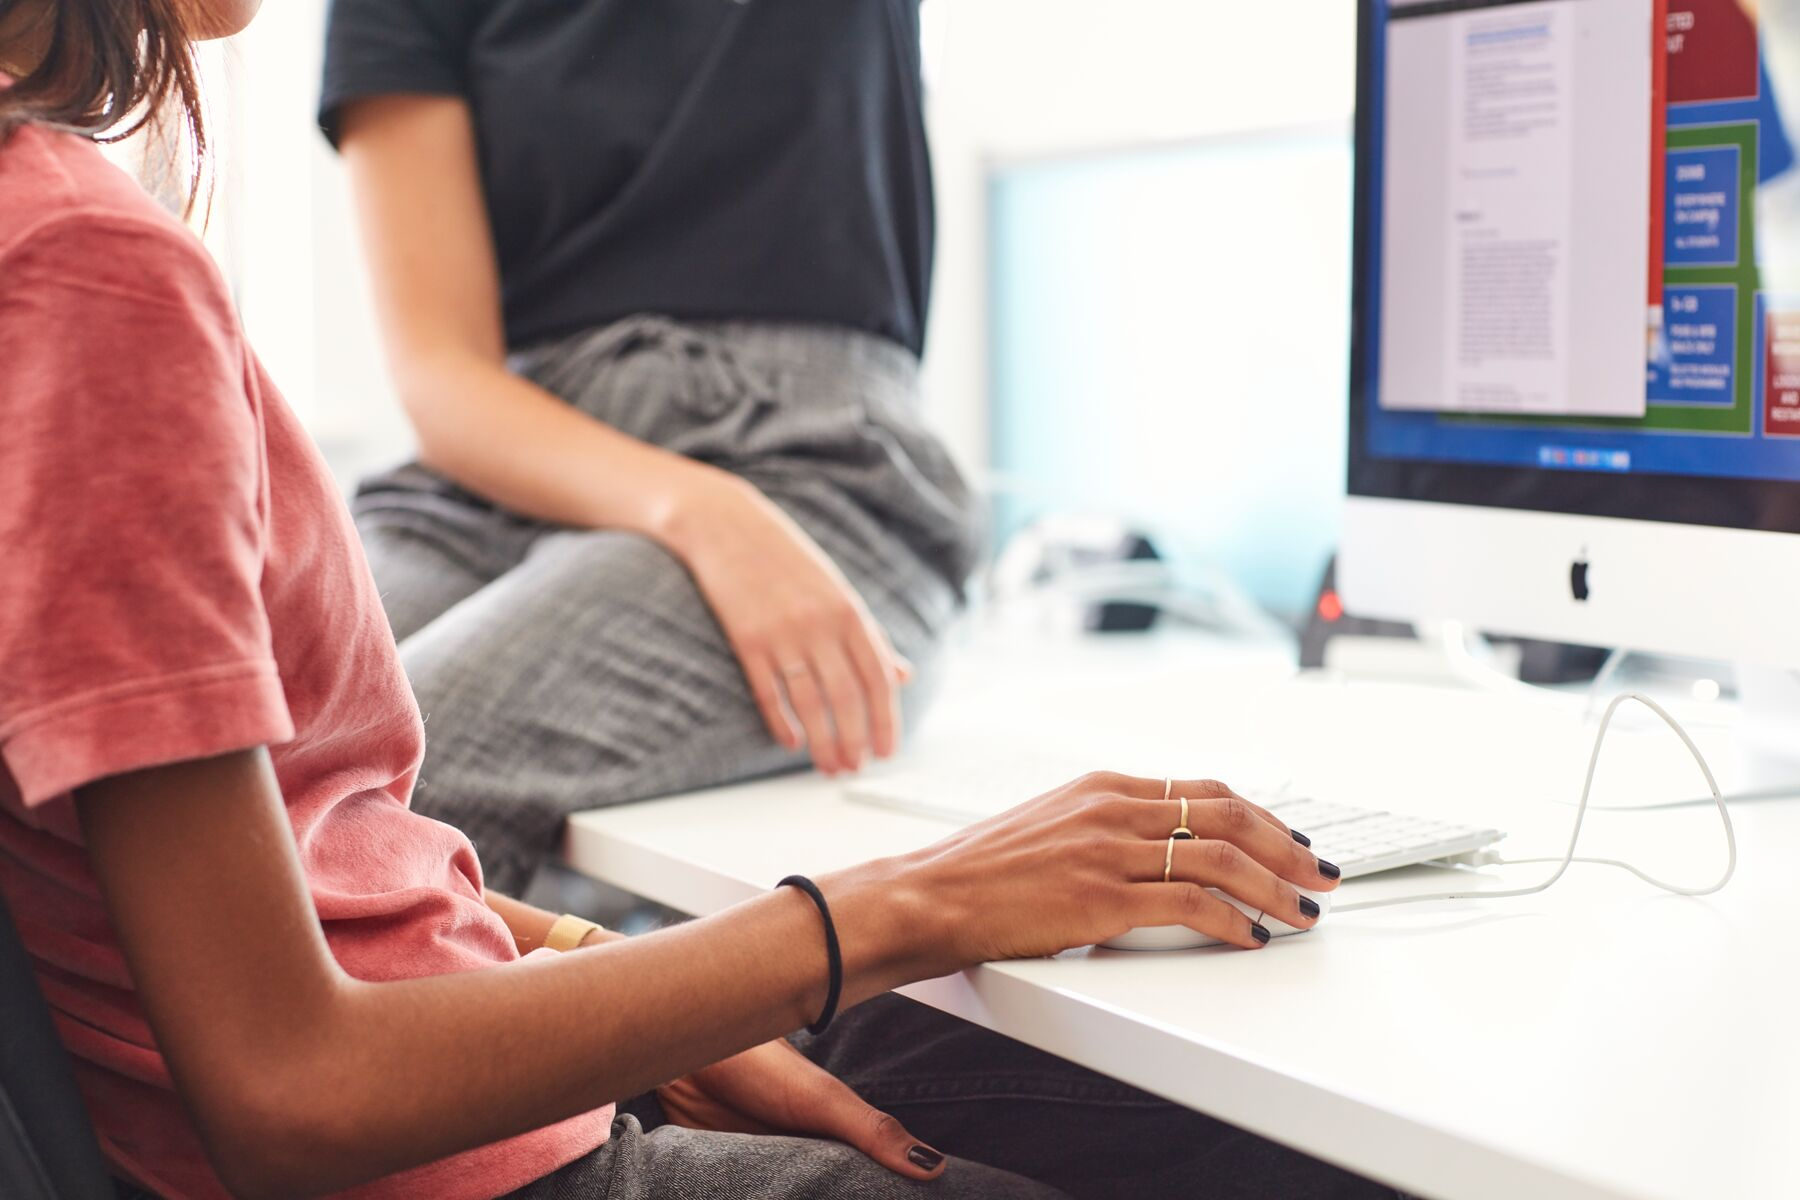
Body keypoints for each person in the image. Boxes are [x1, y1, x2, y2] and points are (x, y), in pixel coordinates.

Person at [0, 2, 1393, 1197]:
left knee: (991, 1059)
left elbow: (325, 857)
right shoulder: (86, 269)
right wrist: (909, 903)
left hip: (368, 1071)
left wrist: (609, 969)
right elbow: (289, 1079)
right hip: (411, 1147)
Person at [317, 0, 983, 894]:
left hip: (804, 461)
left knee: (383, 789)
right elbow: (443, 372)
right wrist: (701, 510)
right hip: (504, 469)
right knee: (252, 757)